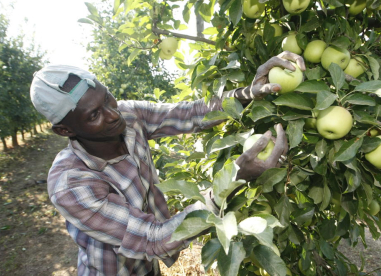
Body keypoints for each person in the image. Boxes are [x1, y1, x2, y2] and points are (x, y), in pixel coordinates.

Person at [29, 51, 305, 276]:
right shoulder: (71, 183)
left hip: (148, 265)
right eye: (94, 115)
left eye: (107, 98)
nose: (113, 114)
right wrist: (233, 178)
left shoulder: (128, 116)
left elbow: (191, 113)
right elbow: (152, 237)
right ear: (65, 130)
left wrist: (248, 93)